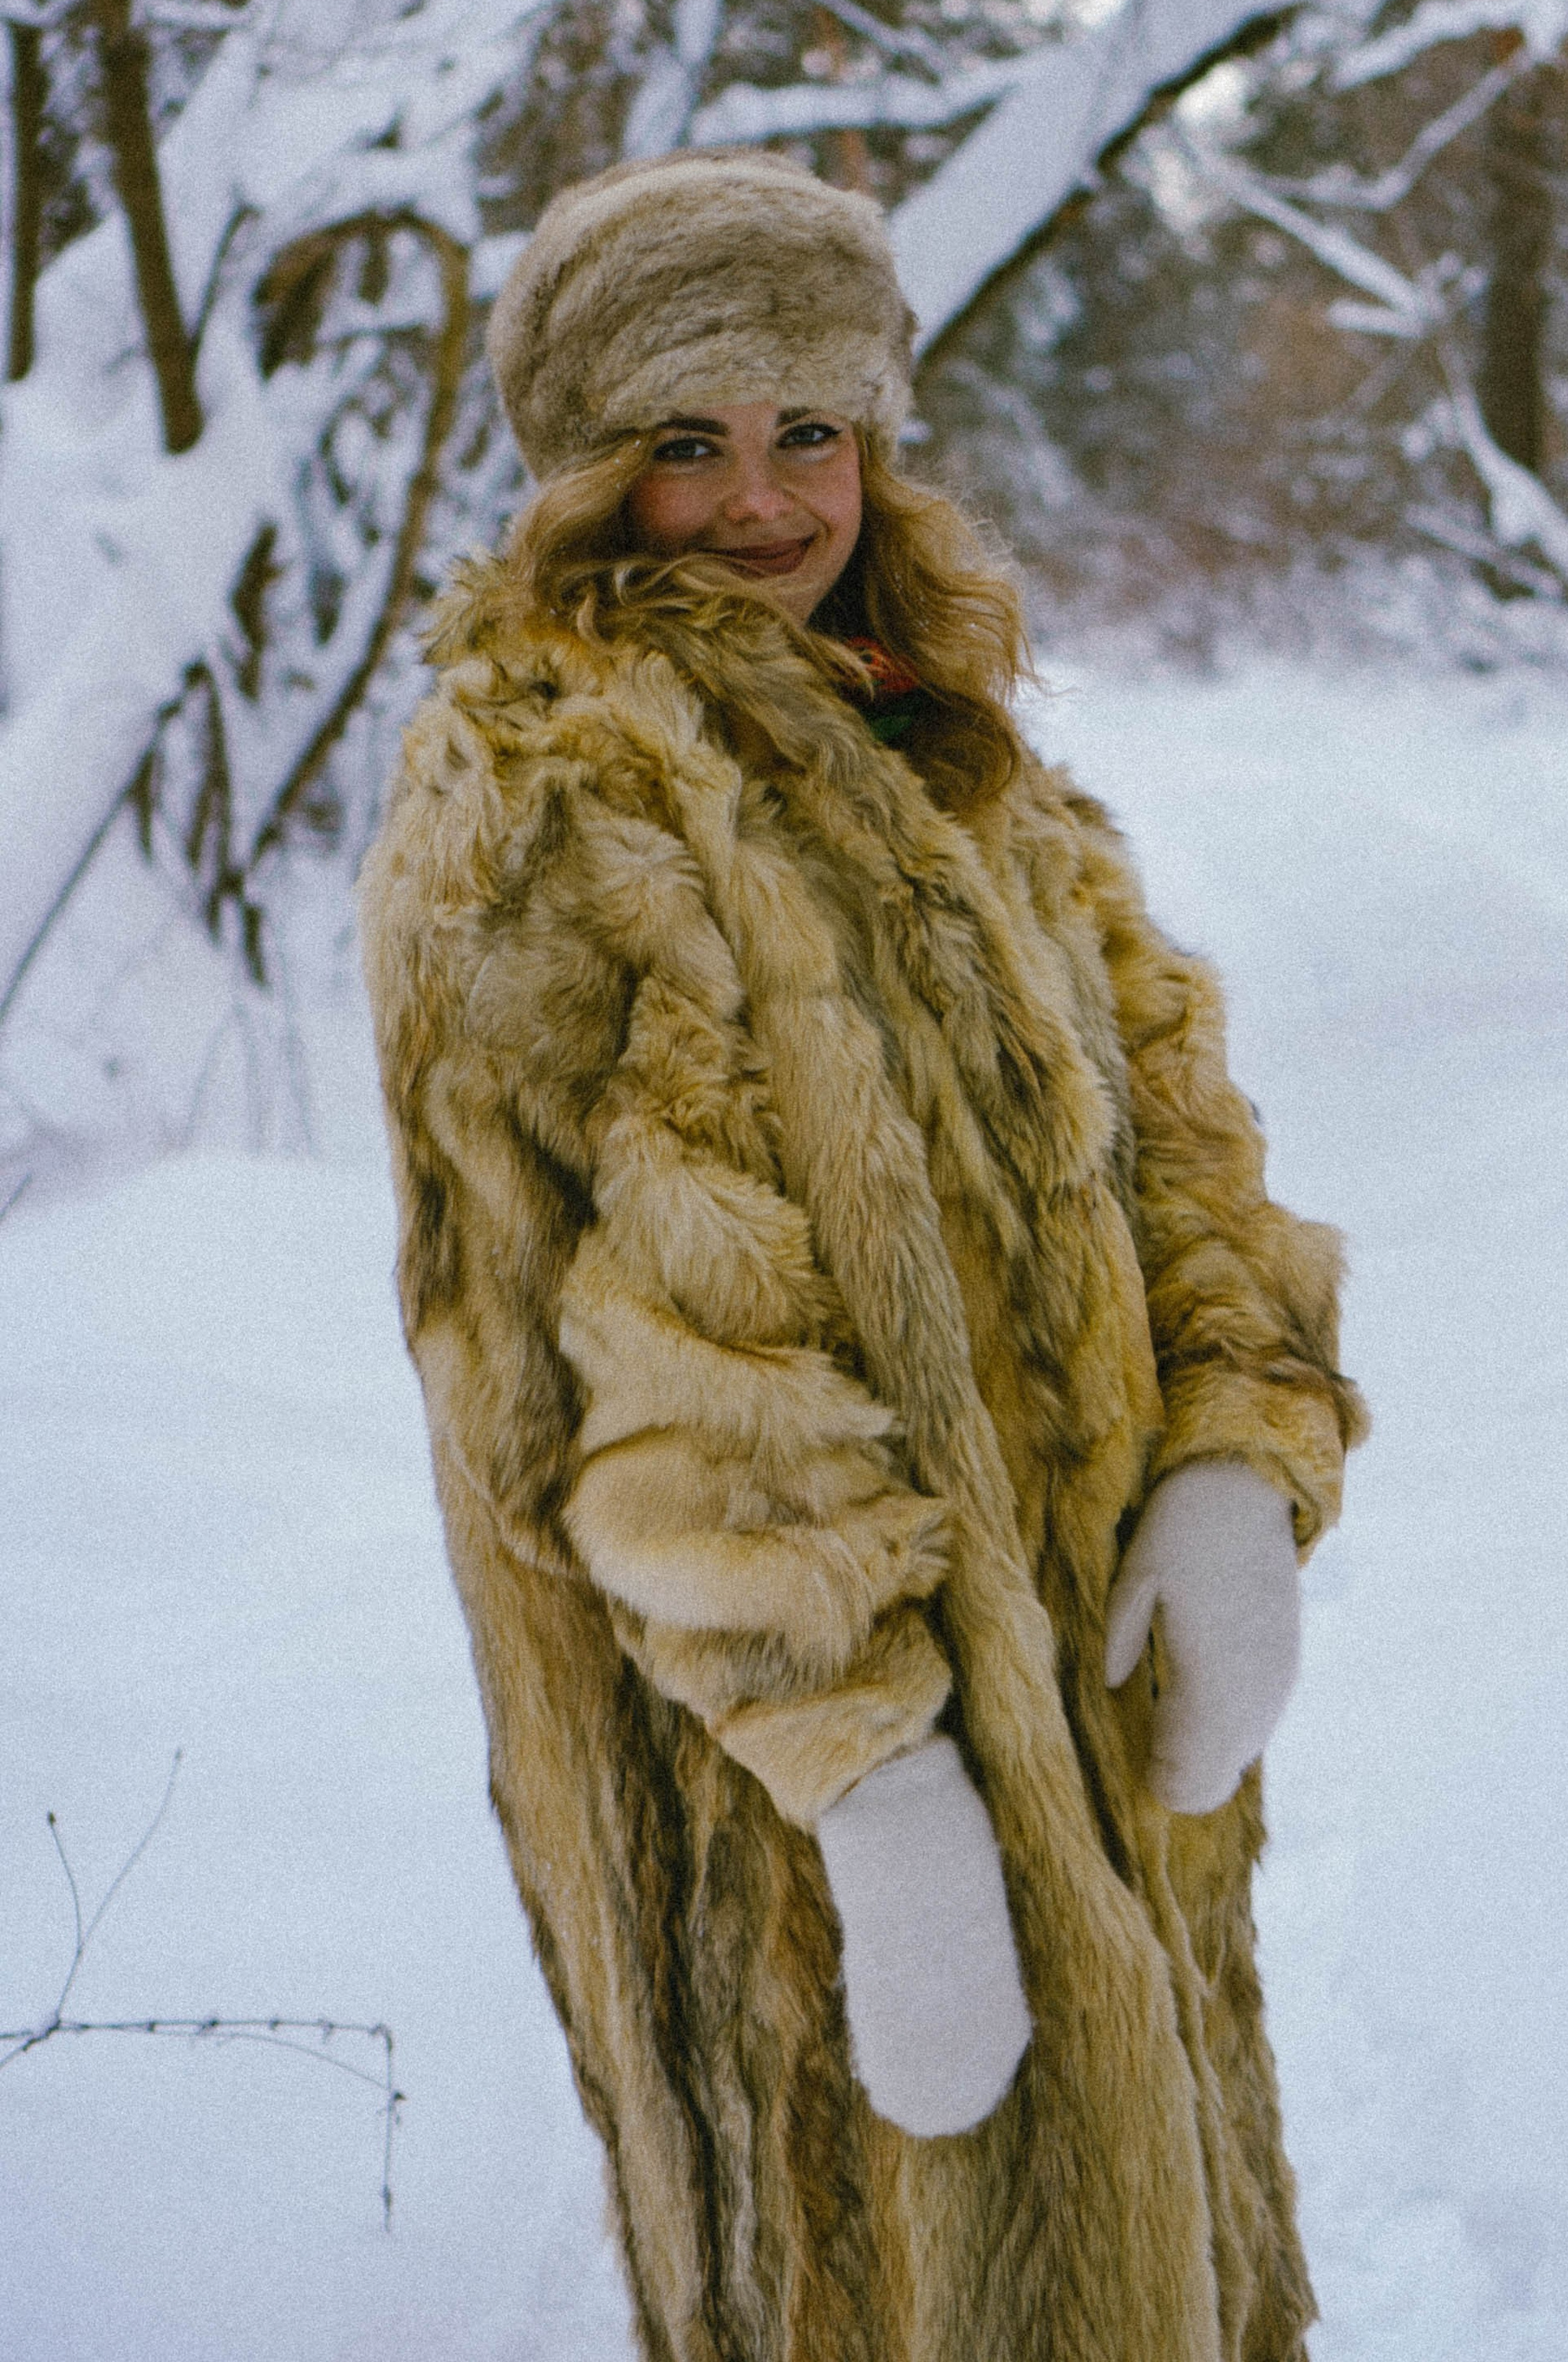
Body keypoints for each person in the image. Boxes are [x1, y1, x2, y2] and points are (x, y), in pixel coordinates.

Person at [359, 150, 1367, 2362]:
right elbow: (630, 1325)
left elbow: (1171, 1123)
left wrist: (1237, 1454)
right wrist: (872, 1769)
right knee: (878, 2270)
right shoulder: (544, 785)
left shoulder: (940, 733)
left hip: (1073, 1690)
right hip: (785, 1778)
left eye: (806, 429)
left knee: (1151, 2231)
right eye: (688, 441)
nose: (760, 499)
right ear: (589, 467)